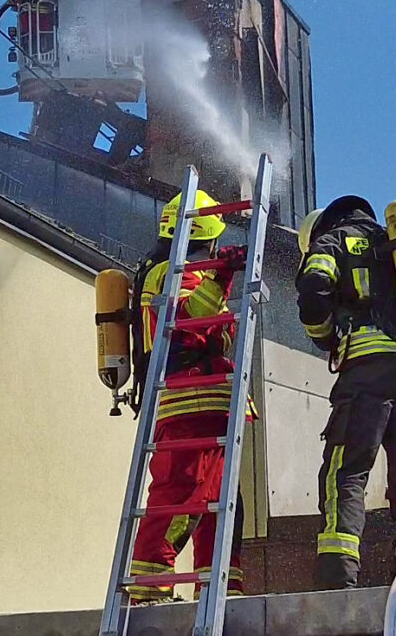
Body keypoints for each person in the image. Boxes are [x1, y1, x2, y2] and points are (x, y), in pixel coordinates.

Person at [295, 196, 396, 590]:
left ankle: (337, 578)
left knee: (346, 470)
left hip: (368, 370)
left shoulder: (332, 241)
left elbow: (313, 291)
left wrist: (325, 335)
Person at [127, 190, 251, 603]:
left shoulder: (180, 271)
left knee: (221, 504)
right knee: (183, 496)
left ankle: (219, 589)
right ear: (207, 237)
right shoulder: (174, 271)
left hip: (206, 401)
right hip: (190, 399)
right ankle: (149, 587)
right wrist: (223, 277)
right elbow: (190, 322)